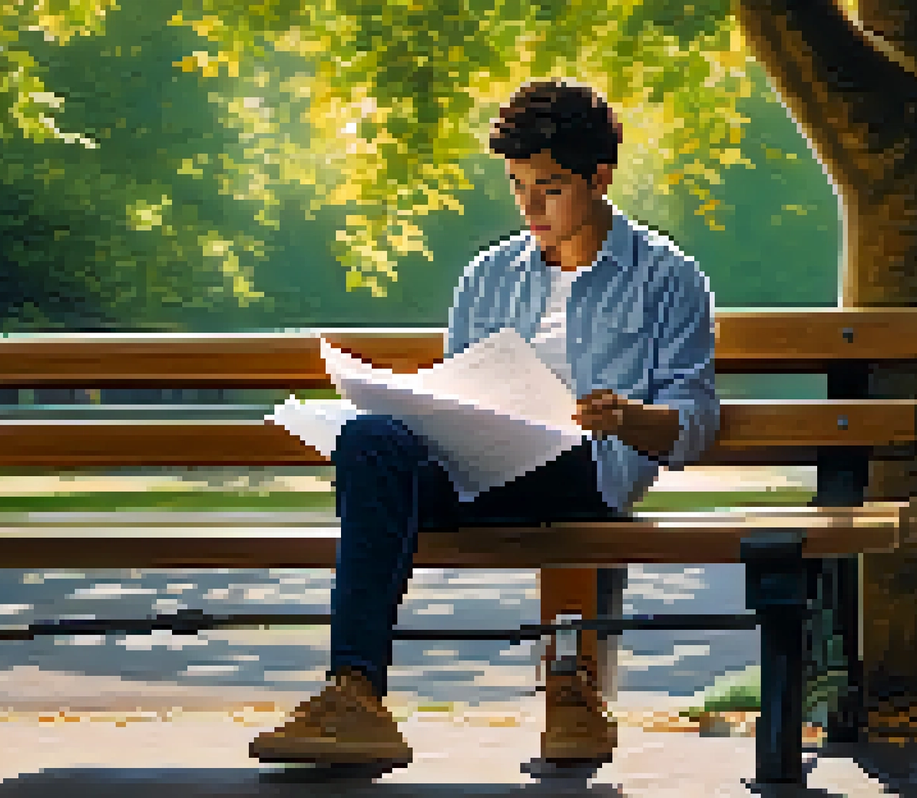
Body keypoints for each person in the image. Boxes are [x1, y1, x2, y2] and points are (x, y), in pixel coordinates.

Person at [250, 79, 721, 770]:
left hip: (584, 472)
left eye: (551, 187)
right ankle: (354, 693)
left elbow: (695, 420)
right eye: (517, 185)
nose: (530, 206)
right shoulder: (488, 275)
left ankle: (571, 685)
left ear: (600, 178)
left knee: (548, 450)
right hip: (480, 469)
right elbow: (458, 390)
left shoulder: (667, 278)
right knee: (369, 439)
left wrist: (626, 417)